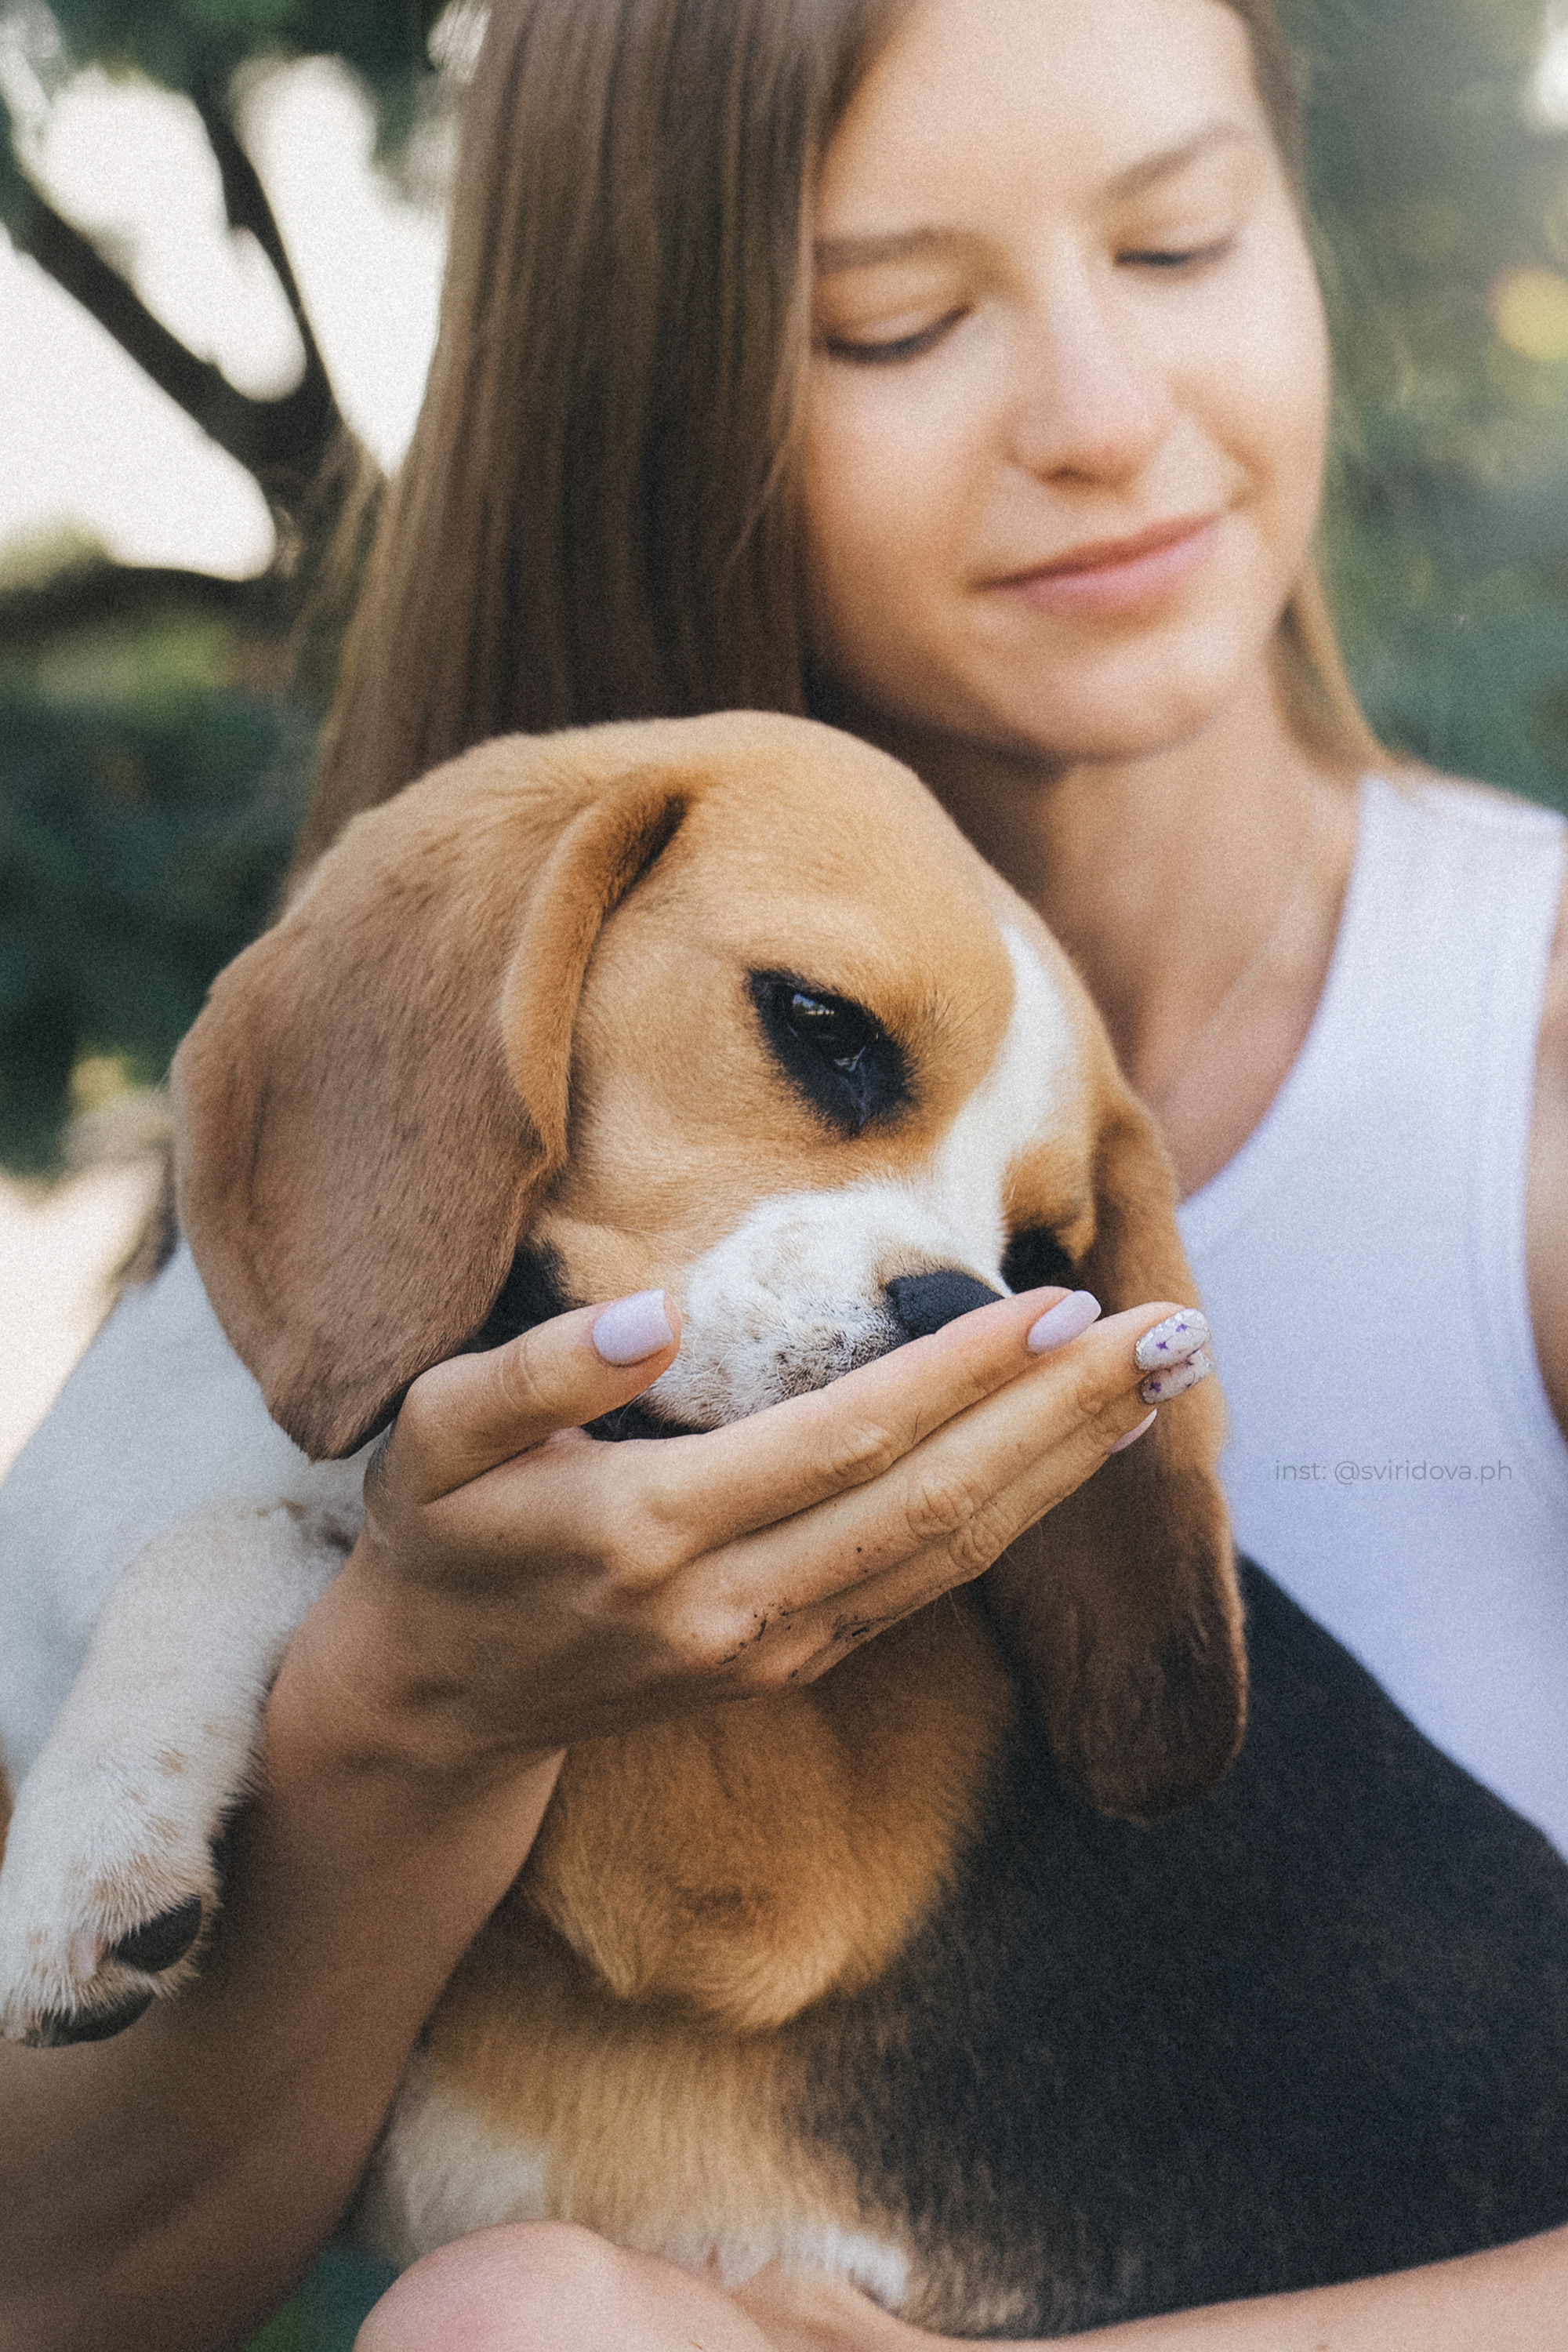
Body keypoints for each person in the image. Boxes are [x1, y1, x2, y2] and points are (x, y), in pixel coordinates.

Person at [0, 1, 1564, 2347]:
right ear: (648, 396)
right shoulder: (407, 1119)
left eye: (1184, 238)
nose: (1105, 419)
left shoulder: (1523, 1088)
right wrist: (411, 1709)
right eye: (897, 320)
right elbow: (55, 2296)